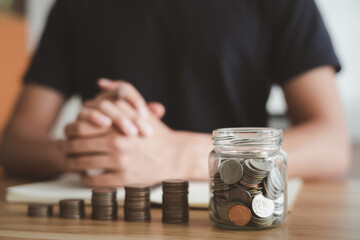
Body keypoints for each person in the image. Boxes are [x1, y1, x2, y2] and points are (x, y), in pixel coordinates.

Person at [0, 0, 351, 186]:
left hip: (235, 211)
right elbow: (15, 142)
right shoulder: (75, 5)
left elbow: (332, 144)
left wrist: (175, 155)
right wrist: (95, 151)